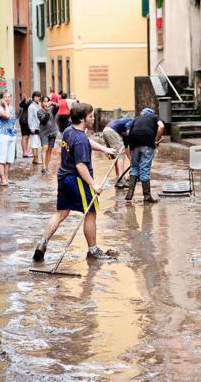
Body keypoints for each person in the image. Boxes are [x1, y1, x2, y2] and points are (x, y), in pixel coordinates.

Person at [33, 103, 117, 261]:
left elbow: (86, 141)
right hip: (77, 179)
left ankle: (42, 244)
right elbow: (80, 165)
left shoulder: (69, 131)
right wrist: (94, 185)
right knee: (90, 213)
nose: (93, 118)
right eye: (90, 116)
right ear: (82, 119)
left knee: (61, 213)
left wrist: (104, 149)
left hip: (64, 177)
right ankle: (93, 251)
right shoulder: (79, 140)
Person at [125, 107, 165, 203]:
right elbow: (161, 126)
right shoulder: (155, 117)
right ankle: (147, 196)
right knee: (144, 168)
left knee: (134, 167)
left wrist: (130, 152)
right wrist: (156, 140)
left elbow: (128, 134)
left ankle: (130, 193)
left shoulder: (136, 119)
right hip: (147, 143)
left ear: (142, 114)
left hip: (133, 143)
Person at [103, 116, 134, 188]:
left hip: (105, 131)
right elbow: (128, 127)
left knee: (117, 154)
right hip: (111, 131)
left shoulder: (123, 131)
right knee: (120, 154)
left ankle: (118, 178)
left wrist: (131, 161)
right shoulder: (132, 120)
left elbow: (126, 148)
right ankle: (121, 178)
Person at [0, 91, 17, 186]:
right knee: (1, 159)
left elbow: (12, 121)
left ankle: (7, 177)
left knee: (9, 159)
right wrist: (6, 106)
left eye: (9, 97)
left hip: (11, 135)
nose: (7, 98)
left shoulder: (11, 108)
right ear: (1, 99)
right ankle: (3, 179)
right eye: (5, 97)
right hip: (2, 136)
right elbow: (6, 116)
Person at [37, 96, 59, 174]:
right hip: (44, 132)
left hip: (53, 131)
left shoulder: (53, 109)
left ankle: (46, 166)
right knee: (45, 148)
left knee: (50, 149)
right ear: (41, 102)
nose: (46, 103)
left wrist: (52, 103)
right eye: (44, 101)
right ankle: (43, 166)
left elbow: (58, 106)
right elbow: (43, 120)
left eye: (47, 101)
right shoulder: (39, 111)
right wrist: (46, 113)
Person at [27, 91, 42, 164]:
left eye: (39, 96)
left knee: (38, 143)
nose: (37, 98)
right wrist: (31, 128)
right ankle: (36, 159)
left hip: (40, 127)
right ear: (33, 97)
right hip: (34, 127)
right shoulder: (31, 106)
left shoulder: (39, 105)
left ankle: (35, 159)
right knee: (34, 143)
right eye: (36, 96)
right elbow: (29, 118)